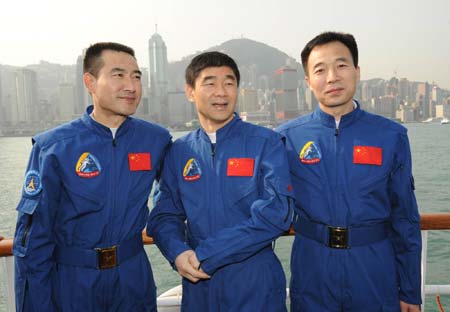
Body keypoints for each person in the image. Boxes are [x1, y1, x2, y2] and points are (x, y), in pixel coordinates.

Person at [13, 42, 171, 311]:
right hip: (74, 282)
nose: (131, 86)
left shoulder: (155, 140)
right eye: (118, 75)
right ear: (90, 82)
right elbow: (33, 239)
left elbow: (174, 199)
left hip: (133, 280)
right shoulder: (54, 148)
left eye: (136, 76)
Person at [277, 31, 422, 311]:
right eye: (320, 70)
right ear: (308, 81)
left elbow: (405, 217)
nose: (332, 77)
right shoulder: (286, 138)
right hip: (312, 267)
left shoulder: (391, 135)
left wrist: (411, 291)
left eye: (341, 65)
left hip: (373, 267)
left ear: (357, 72)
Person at [147, 51, 293, 311]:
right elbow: (163, 215)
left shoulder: (265, 143)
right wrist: (177, 253)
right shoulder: (179, 152)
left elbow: (275, 213)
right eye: (210, 83)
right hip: (198, 285)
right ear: (190, 91)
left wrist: (206, 255)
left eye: (229, 83)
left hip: (255, 282)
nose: (221, 92)